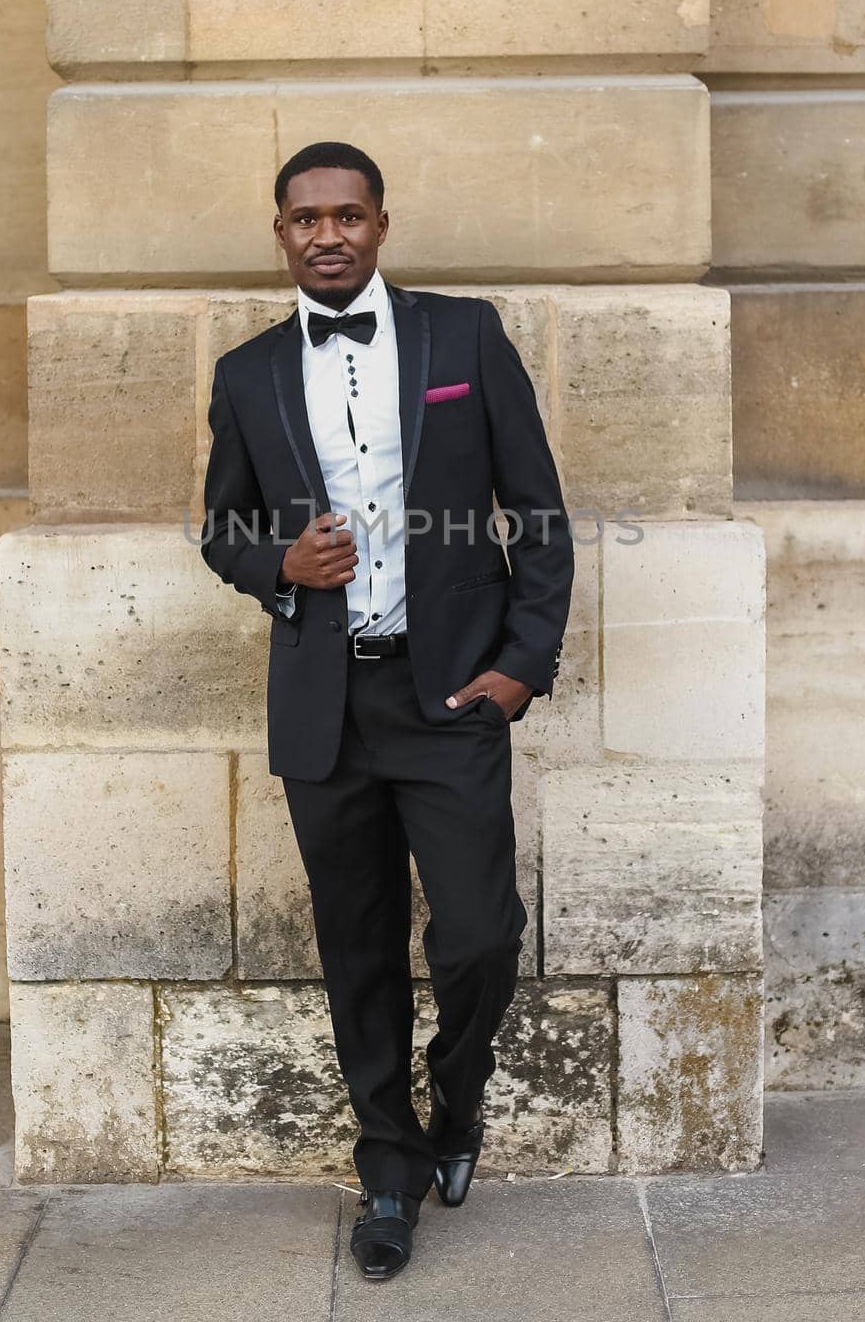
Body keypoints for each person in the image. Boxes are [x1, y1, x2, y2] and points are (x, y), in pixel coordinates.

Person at [200, 140, 574, 1281]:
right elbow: (220, 529)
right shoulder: (247, 371)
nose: (327, 233)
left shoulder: (460, 335)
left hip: (449, 690)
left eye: (347, 215)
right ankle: (387, 1168)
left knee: (476, 935)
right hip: (325, 702)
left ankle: (453, 1106)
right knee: (355, 945)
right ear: (280, 234)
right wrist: (279, 565)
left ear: (379, 226)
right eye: (305, 217)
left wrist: (521, 662)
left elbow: (539, 510)